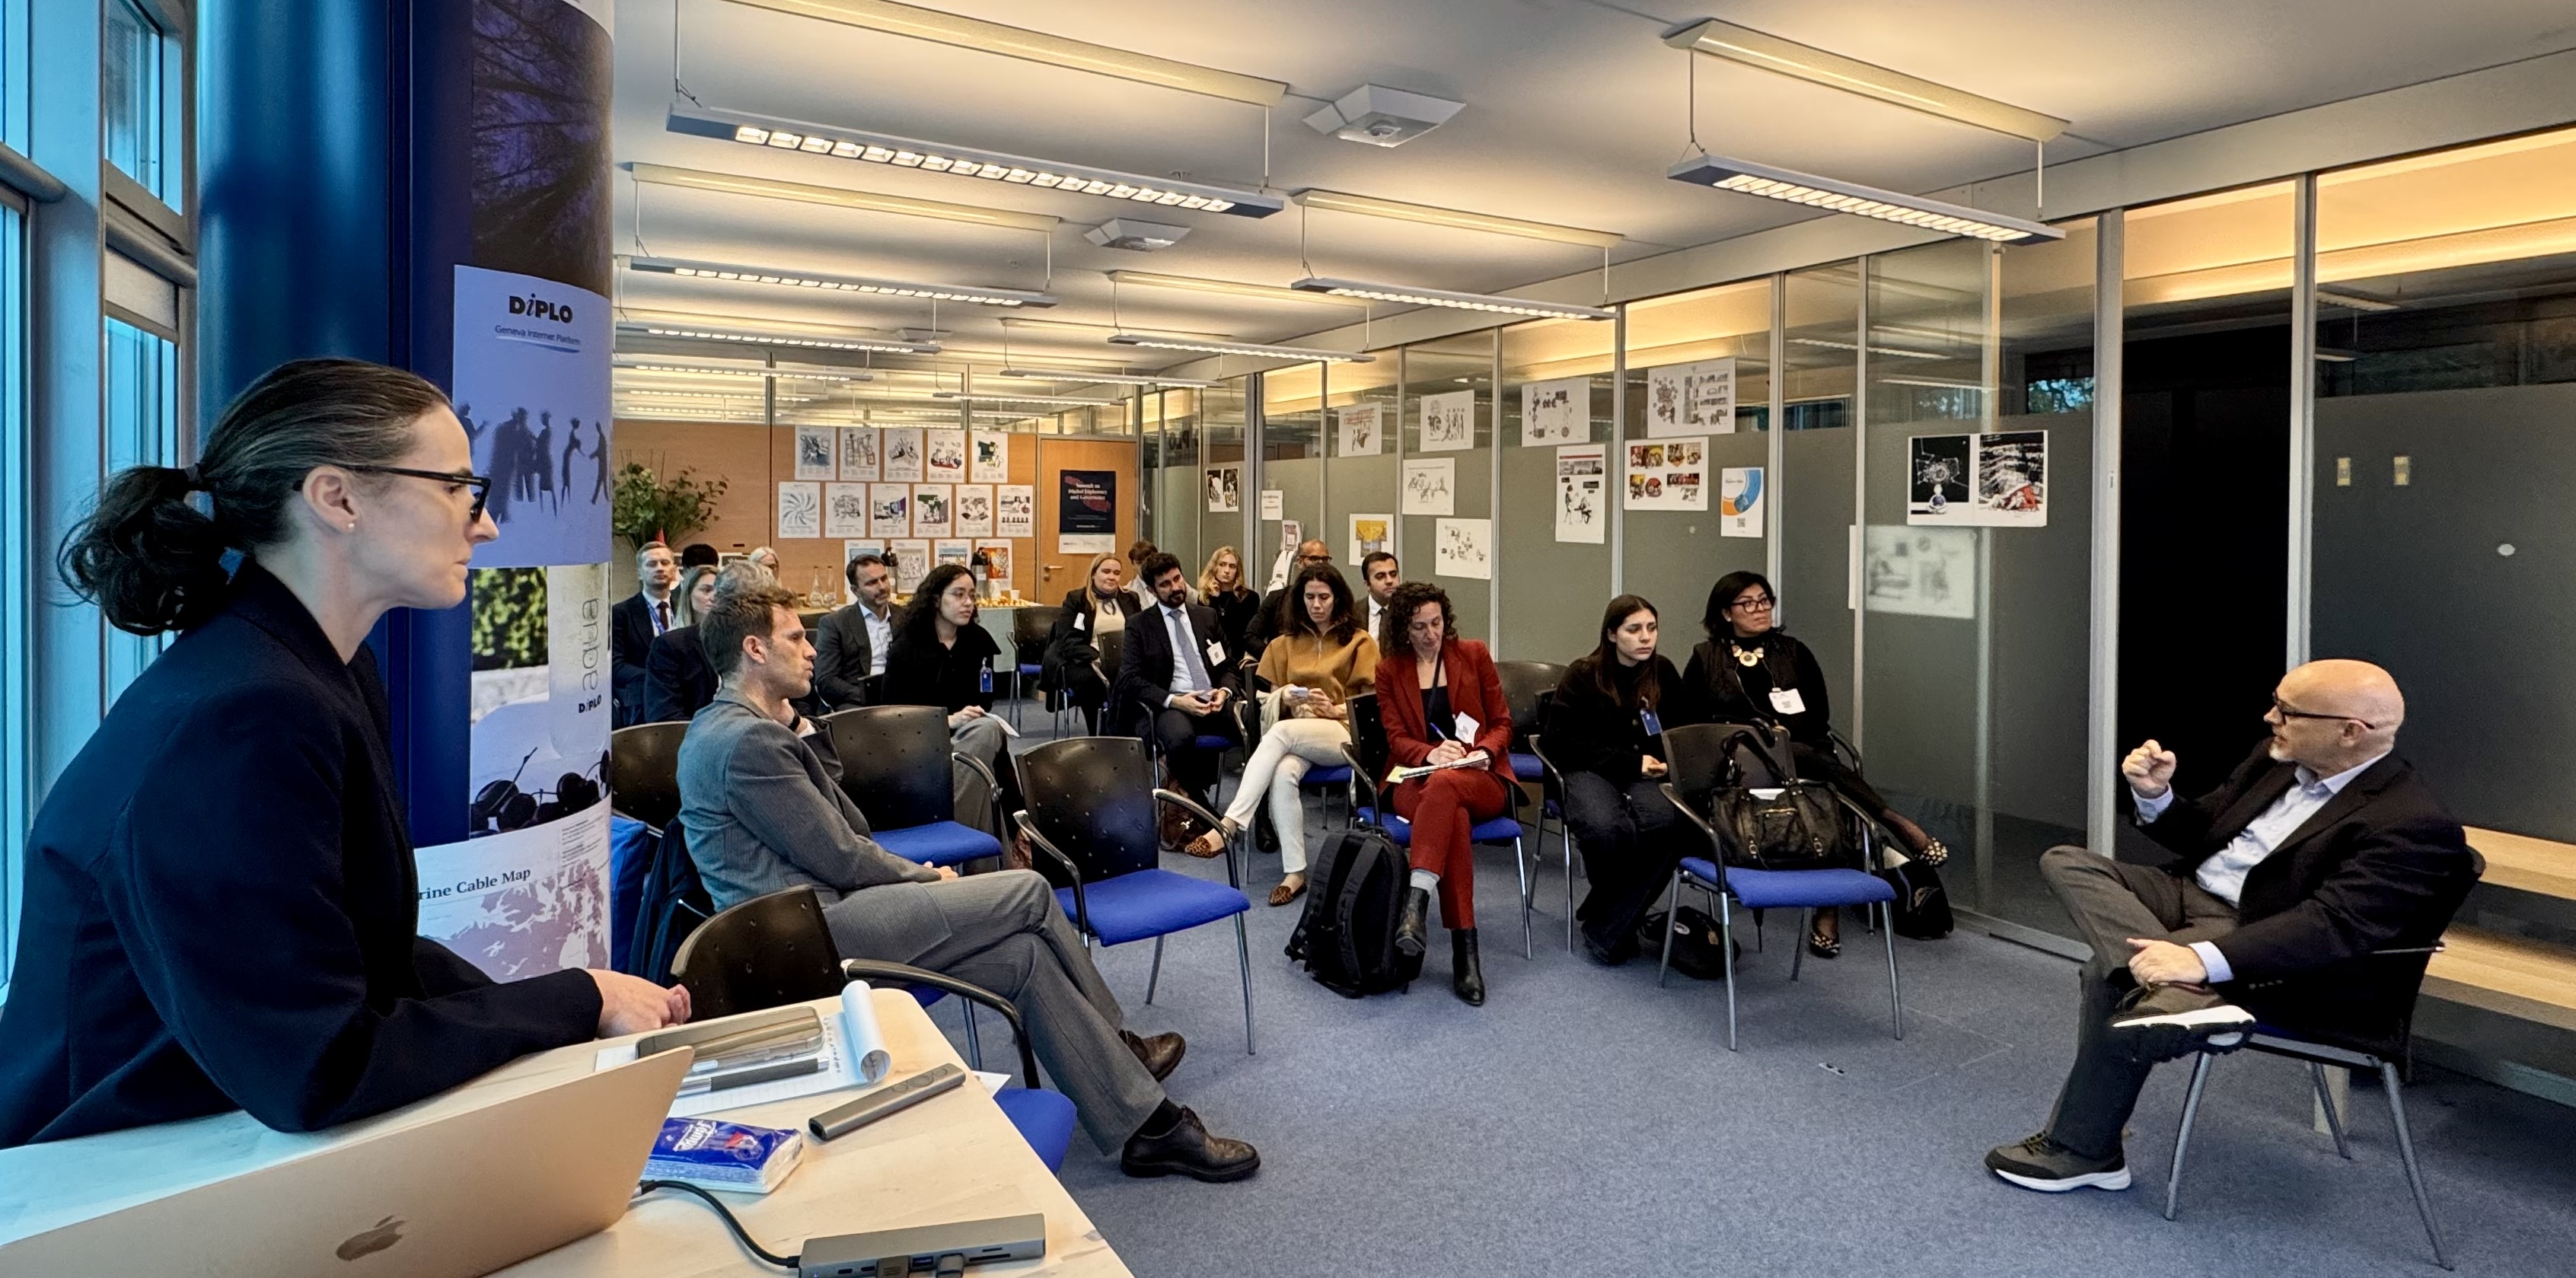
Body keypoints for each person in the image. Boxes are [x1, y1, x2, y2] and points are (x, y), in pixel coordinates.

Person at [0, 358, 687, 1149]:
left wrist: (577, 998)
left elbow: (362, 955)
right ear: (337, 497)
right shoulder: (247, 713)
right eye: (459, 488)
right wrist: (573, 998)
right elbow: (319, 1065)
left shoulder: (311, 666)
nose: (486, 524)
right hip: (101, 1179)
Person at [674, 581, 1258, 1181]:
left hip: (829, 912)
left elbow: (838, 804)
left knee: (1023, 955)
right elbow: (843, 855)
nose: (808, 649)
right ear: (754, 649)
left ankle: (1146, 1125)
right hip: (814, 935)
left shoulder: (743, 724)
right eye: (794, 638)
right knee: (1030, 891)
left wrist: (796, 718)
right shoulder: (746, 743)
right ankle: (1121, 1041)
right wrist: (924, 875)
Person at [1986, 660, 2478, 1194]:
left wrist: (2201, 959)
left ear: (2350, 731)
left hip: (2265, 934)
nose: (2271, 717)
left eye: (2288, 711)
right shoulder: (2277, 759)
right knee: (2068, 860)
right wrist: (2157, 796)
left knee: (2105, 976)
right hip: (2189, 894)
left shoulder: (2411, 821)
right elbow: (2206, 834)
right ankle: (2173, 993)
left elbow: (2330, 926)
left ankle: (2084, 1147)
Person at [1677, 570, 1946, 958]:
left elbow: (1819, 715)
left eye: (1765, 600)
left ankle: (1827, 908)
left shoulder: (1793, 651)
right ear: (1725, 612)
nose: (1760, 610)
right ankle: (1893, 822)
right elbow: (1693, 722)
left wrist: (1784, 733)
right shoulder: (1706, 658)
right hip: (1741, 763)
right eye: (1748, 603)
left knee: (1819, 788)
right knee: (1812, 771)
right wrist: (1758, 732)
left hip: (1805, 754)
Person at [1185, 564, 1379, 906]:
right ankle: (1295, 873)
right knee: (1284, 771)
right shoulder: (1283, 644)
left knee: (1281, 734)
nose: (1316, 604)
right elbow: (1267, 701)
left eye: (1324, 597)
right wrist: (1286, 696)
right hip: (1300, 732)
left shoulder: (1360, 642)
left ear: (1337, 599)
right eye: (1309, 597)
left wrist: (1335, 710)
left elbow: (1374, 705)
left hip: (1344, 733)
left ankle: (1230, 824)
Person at [1372, 581, 1515, 1006]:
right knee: (1449, 812)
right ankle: (1464, 953)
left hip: (1480, 776)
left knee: (1449, 787)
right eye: (1419, 627)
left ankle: (1415, 903)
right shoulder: (1389, 670)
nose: (1431, 634)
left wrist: (1484, 751)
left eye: (1436, 623)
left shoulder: (1472, 654)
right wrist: (1433, 752)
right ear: (1403, 629)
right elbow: (1396, 738)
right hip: (1416, 776)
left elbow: (1503, 723)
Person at [1549, 595, 1691, 966]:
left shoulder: (1665, 672)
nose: (1645, 638)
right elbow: (1560, 742)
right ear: (1612, 634)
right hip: (1590, 769)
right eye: (1634, 630)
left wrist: (1666, 762)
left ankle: (1606, 914)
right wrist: (1631, 761)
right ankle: (1617, 919)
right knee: (1605, 827)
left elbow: (1682, 731)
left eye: (1651, 628)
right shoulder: (1584, 673)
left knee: (1670, 822)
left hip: (1648, 773)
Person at [881, 563, 1015, 836]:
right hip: (918, 741)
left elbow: (985, 698)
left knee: (989, 730)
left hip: (968, 732)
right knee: (986, 748)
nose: (968, 603)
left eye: (972, 595)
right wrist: (948, 720)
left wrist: (971, 714)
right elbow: (892, 714)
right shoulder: (908, 647)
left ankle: (953, 834)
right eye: (958, 595)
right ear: (936, 599)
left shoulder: (978, 641)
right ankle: (981, 845)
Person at [1114, 551, 1242, 811]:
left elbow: (1227, 664)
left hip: (1213, 698)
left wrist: (1225, 691)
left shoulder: (1206, 616)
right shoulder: (1140, 625)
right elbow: (1129, 678)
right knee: (1179, 738)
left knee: (1256, 723)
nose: (1175, 588)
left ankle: (1259, 813)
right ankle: (1203, 808)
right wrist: (1175, 701)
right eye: (1165, 584)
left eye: (1177, 579)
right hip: (1173, 704)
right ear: (1152, 589)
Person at [1043, 553, 1142, 735]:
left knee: (1137, 680)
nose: (1112, 577)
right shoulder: (1077, 600)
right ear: (1094, 574)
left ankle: (1127, 732)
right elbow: (1067, 638)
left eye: (1116, 573)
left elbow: (1141, 634)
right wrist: (1095, 657)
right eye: (1106, 571)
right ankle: (1098, 734)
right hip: (1084, 659)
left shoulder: (1131, 599)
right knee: (1090, 682)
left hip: (1123, 659)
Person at [812, 552, 894, 711]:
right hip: (855, 700)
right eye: (872, 583)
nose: (882, 587)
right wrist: (868, 697)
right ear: (856, 591)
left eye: (884, 579)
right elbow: (826, 680)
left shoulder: (905, 618)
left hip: (898, 696)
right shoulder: (835, 623)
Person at [645, 564, 725, 724]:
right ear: (689, 594)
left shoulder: (739, 640)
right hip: (691, 736)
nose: (715, 596)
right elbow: (664, 715)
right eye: (706, 590)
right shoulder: (670, 645)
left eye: (721, 591)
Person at [612, 540, 681, 726]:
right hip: (642, 697)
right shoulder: (621, 613)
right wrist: (655, 677)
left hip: (684, 694)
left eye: (665, 563)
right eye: (652, 564)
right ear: (640, 573)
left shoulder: (686, 608)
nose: (659, 568)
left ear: (674, 571)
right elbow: (616, 666)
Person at [1241, 539, 1333, 663]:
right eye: (1314, 559)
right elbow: (1250, 637)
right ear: (1300, 562)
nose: (1321, 564)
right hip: (1283, 671)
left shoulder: (1337, 600)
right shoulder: (1277, 599)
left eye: (1325, 559)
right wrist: (1274, 657)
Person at [1197, 545, 1261, 667]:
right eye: (1222, 564)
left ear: (1237, 571)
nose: (1227, 571)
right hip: (1214, 658)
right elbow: (1208, 632)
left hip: (1240, 657)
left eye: (1232, 567)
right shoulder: (1205, 598)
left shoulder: (1249, 598)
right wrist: (1215, 598)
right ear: (1214, 567)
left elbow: (1245, 633)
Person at [1360, 550, 1402, 639]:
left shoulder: (1409, 610)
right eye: (1380, 576)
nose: (1389, 581)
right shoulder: (1353, 613)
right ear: (1368, 584)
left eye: (1393, 574)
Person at [1122, 539, 1163, 609]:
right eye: (1139, 563)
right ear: (1133, 564)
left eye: (1149, 561)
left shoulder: (1173, 583)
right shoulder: (1127, 592)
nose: (1145, 566)